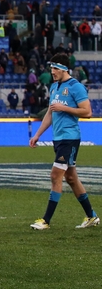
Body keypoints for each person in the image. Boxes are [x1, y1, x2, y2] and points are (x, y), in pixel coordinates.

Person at [28, 54, 98, 230]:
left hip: (70, 138)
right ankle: (92, 216)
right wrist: (37, 135)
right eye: (51, 68)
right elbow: (50, 113)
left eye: (56, 68)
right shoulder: (54, 87)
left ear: (65, 69)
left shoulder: (76, 87)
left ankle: (46, 220)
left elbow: (87, 111)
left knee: (55, 175)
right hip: (58, 138)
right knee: (71, 178)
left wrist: (64, 108)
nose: (52, 72)